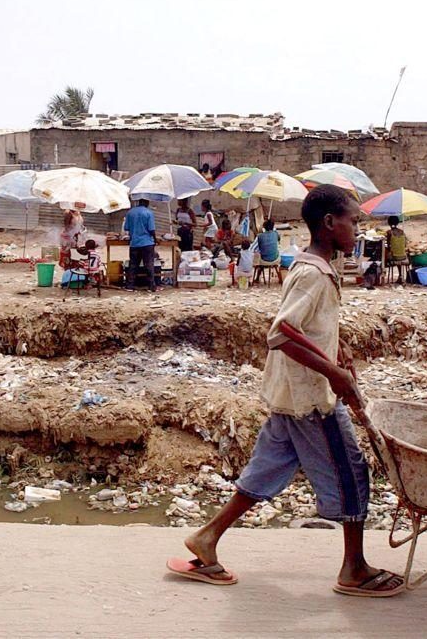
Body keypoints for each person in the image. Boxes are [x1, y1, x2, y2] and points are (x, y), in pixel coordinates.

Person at [166, 184, 403, 597]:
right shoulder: (313, 273)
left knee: (266, 470)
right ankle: (353, 569)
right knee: (350, 474)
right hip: (311, 400)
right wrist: (333, 372)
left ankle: (206, 538)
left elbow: (308, 326)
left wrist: (338, 347)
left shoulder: (314, 267)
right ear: (330, 224)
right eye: (354, 222)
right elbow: (282, 332)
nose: (357, 230)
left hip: (289, 396)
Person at [124, 198, 159, 292]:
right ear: (147, 203)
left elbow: (126, 227)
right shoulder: (148, 213)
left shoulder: (130, 212)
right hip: (147, 243)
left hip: (134, 243)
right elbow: (151, 229)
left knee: (133, 265)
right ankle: (151, 286)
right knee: (149, 265)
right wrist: (155, 239)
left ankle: (130, 286)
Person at [253, 219, 281, 285]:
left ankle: (257, 278)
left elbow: (259, 247)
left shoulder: (260, 236)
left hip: (264, 260)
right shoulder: (276, 233)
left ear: (264, 227)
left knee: (258, 258)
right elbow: (279, 240)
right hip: (275, 259)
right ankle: (280, 278)